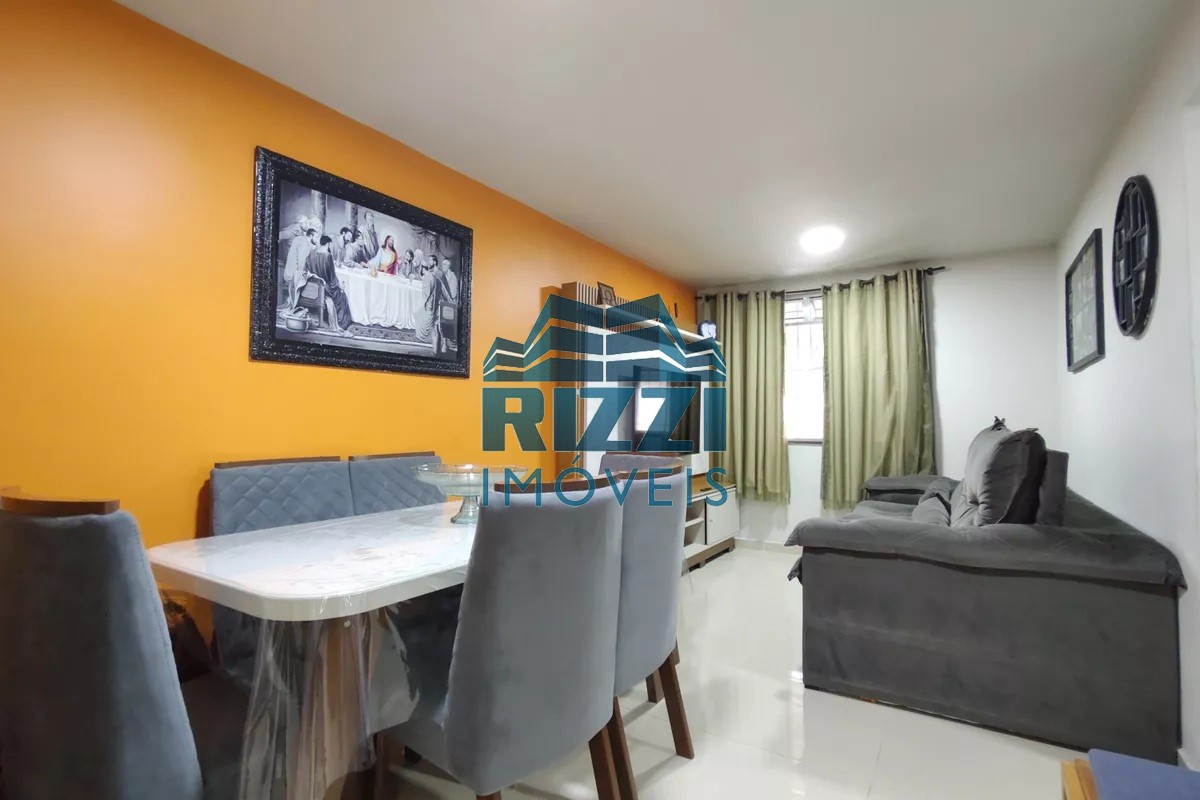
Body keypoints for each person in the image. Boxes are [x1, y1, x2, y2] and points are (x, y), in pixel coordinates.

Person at [305, 235, 353, 331]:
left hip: (313, 286)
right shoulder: (328, 256)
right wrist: (340, 286)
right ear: (328, 244)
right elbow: (332, 277)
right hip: (325, 287)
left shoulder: (311, 253)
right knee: (342, 296)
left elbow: (307, 269)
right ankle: (342, 323)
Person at [282, 224, 317, 310]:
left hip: (289, 272)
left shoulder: (299, 239)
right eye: (316, 237)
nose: (317, 239)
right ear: (311, 236)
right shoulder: (305, 243)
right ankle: (300, 308)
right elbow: (301, 263)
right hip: (293, 275)